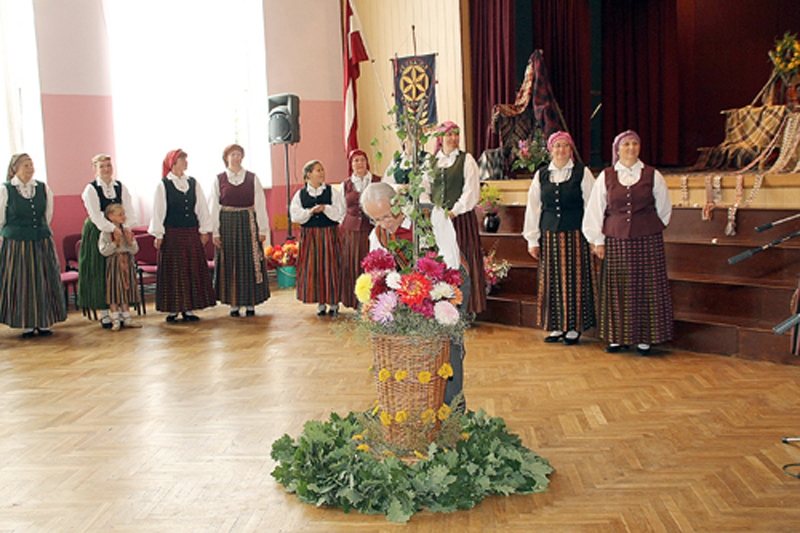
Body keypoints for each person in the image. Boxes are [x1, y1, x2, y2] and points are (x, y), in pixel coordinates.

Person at [360, 182, 467, 406]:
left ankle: (453, 410)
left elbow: (450, 260)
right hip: (410, 292)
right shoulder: (378, 234)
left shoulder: (432, 214)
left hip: (448, 285)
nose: (383, 224)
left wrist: (430, 294)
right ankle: (420, 408)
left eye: (387, 216)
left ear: (398, 202)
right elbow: (379, 276)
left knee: (448, 347)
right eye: (376, 219)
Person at [582, 130, 674, 356]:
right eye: (626, 145)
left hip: (647, 240)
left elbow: (664, 209)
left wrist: (649, 225)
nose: (631, 148)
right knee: (617, 289)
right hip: (616, 240)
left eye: (635, 144)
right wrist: (597, 240)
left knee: (647, 289)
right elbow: (595, 209)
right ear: (617, 149)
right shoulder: (606, 176)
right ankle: (617, 338)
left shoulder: (653, 175)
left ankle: (645, 339)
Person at [523, 132, 596, 345]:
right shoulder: (542, 175)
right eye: (557, 146)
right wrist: (532, 239)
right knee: (552, 282)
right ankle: (556, 326)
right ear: (551, 150)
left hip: (575, 235)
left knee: (575, 281)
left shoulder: (583, 173)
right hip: (549, 235)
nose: (561, 150)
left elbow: (592, 207)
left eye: (565, 146)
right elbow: (534, 208)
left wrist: (593, 236)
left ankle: (573, 327)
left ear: (570, 150)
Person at [0, 154, 67, 337]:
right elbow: (1, 219)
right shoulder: (6, 190)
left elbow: (48, 215)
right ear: (15, 169)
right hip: (17, 244)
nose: (30, 169)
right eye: (26, 166)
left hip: (41, 240)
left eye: (31, 165)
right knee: (23, 281)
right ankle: (27, 323)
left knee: (43, 280)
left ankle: (44, 321)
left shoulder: (42, 188)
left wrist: (39, 229)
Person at [148, 149, 216, 322]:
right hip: (172, 233)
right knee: (175, 271)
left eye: (186, 159)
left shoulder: (192, 183)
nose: (185, 162)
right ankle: (173, 309)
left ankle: (189, 309)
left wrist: (204, 229)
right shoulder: (163, 185)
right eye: (182, 159)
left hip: (191, 231)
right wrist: (159, 234)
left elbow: (201, 207)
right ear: (173, 163)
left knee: (191, 269)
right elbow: (158, 211)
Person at [431, 121, 486, 315]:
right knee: (440, 262)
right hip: (438, 221)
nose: (454, 139)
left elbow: (471, 191)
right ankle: (442, 307)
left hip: (460, 220)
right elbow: (425, 189)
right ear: (441, 138)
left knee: (463, 260)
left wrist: (453, 212)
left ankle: (467, 307)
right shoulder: (431, 162)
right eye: (449, 135)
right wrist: (433, 211)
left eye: (456, 134)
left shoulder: (466, 159)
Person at [209, 144, 270, 317]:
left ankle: (250, 302)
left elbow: (260, 204)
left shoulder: (252, 178)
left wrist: (262, 228)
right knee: (230, 262)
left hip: (247, 222)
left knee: (249, 261)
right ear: (226, 157)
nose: (236, 157)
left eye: (239, 154)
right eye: (232, 154)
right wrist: (215, 232)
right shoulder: (219, 179)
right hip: (227, 223)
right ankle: (234, 303)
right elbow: (214, 206)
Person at [78, 154, 138, 328]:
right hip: (99, 230)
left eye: (108, 165)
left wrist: (126, 227)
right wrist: (112, 229)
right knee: (99, 271)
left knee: (117, 273)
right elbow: (96, 215)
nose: (106, 169)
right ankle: (104, 313)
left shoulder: (120, 186)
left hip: (118, 226)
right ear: (95, 169)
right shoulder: (91, 189)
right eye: (102, 166)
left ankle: (121, 313)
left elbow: (129, 209)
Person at [289, 160, 345, 316]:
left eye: (322, 170)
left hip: (329, 233)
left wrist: (325, 208)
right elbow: (295, 215)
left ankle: (333, 302)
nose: (321, 173)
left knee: (331, 266)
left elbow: (341, 212)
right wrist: (310, 212)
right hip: (310, 236)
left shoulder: (331, 191)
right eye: (318, 170)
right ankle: (320, 302)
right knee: (315, 268)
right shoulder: (300, 194)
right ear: (308, 175)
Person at [339, 149, 381, 310]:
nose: (359, 163)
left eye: (362, 160)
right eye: (355, 161)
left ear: (367, 162)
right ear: (351, 164)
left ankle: (373, 300)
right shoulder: (346, 184)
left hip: (371, 230)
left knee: (371, 266)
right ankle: (355, 301)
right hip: (351, 232)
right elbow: (341, 208)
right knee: (352, 265)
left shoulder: (376, 180)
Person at [98, 203, 142, 331]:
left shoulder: (126, 230)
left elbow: (134, 250)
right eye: (120, 214)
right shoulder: (106, 232)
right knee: (114, 291)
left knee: (125, 291)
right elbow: (104, 251)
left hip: (126, 261)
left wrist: (129, 242)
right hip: (114, 263)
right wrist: (115, 243)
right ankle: (115, 320)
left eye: (124, 214)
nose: (123, 217)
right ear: (110, 217)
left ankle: (127, 319)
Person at [382, 138, 431, 203]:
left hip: (421, 203)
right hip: (400, 205)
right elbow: (386, 183)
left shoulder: (426, 158)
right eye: (411, 137)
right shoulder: (396, 160)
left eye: (418, 135)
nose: (416, 139)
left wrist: (411, 188)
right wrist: (398, 187)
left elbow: (430, 185)